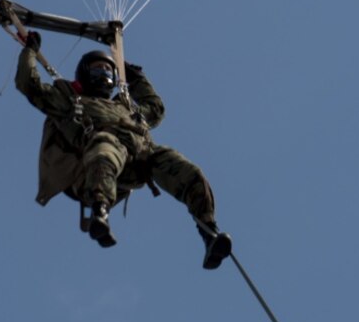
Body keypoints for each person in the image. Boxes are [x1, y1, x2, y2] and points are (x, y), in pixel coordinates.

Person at [14, 30, 233, 269]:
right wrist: (30, 51)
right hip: (103, 159)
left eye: (108, 70)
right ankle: (100, 212)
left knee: (188, 172)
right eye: (98, 69)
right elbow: (29, 85)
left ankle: (208, 230)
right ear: (86, 75)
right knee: (105, 149)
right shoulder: (70, 102)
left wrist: (136, 78)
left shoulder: (126, 107)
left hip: (143, 158)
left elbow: (156, 108)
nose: (104, 74)